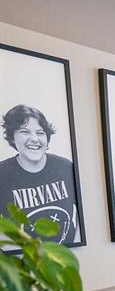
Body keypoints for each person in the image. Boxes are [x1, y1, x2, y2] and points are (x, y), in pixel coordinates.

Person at [0, 104, 79, 244]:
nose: (34, 139)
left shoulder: (66, 167)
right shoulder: (3, 174)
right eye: (25, 132)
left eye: (40, 133)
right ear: (12, 137)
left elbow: (82, 215)